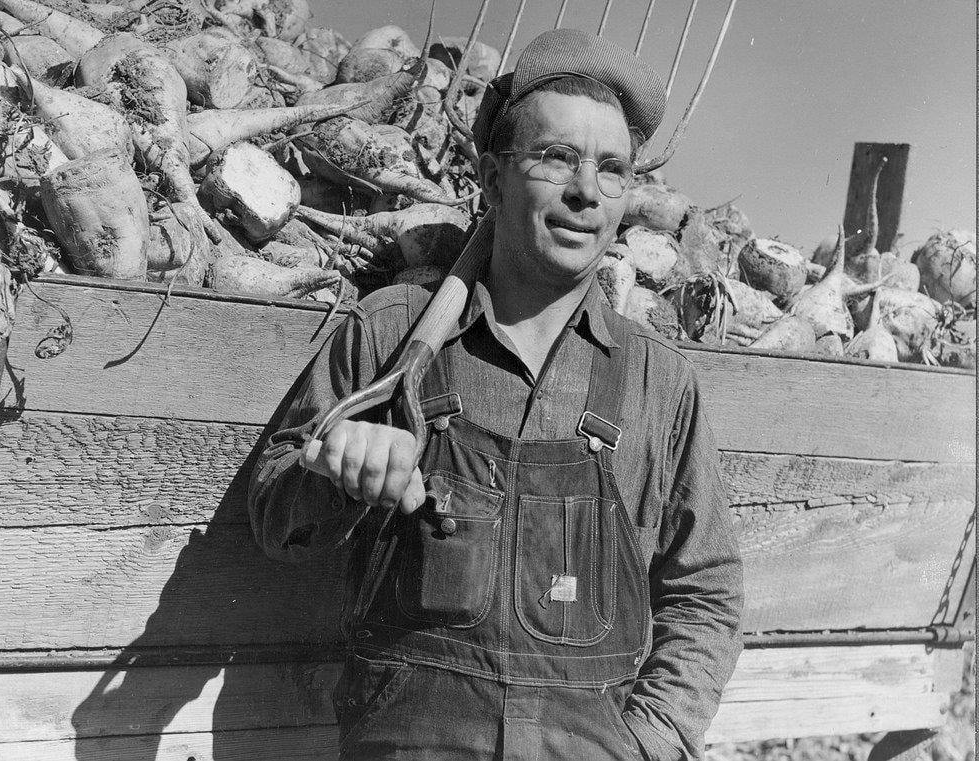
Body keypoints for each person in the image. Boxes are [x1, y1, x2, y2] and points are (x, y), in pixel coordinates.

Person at [249, 27, 743, 761]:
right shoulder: (392, 333)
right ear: (491, 177)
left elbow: (705, 588)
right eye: (555, 157)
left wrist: (656, 736)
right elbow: (271, 507)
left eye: (612, 170)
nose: (585, 190)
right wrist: (330, 472)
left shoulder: (657, 381)